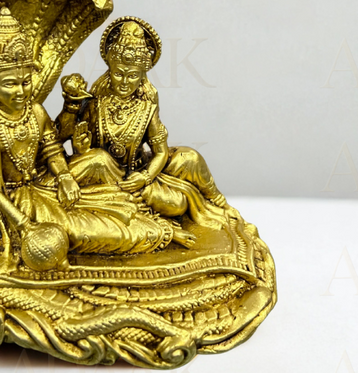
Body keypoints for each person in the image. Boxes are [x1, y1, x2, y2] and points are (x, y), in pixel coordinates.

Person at [0, 9, 188, 272]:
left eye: (25, 82)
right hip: (13, 199)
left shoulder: (35, 111)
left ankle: (151, 212)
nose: (21, 92)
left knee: (103, 171)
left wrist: (65, 176)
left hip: (47, 182)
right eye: (9, 84)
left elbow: (52, 150)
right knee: (88, 232)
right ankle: (157, 232)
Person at [57, 17, 234, 227]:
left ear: (142, 76)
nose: (124, 82)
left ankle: (218, 203)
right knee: (99, 160)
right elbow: (60, 137)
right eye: (118, 74)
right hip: (105, 172)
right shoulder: (96, 102)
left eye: (132, 76)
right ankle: (118, 201)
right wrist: (79, 143)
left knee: (189, 161)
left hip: (139, 173)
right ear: (109, 71)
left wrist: (145, 177)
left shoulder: (146, 108)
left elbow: (160, 153)